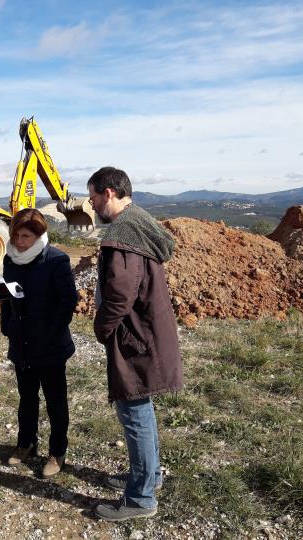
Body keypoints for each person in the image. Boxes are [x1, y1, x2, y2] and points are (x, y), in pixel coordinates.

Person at [87, 166, 183, 522]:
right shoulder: (140, 222)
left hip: (134, 338)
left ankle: (141, 498)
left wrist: (102, 328)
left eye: (94, 196)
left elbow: (119, 296)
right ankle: (150, 476)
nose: (92, 204)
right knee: (141, 409)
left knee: (135, 413)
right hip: (147, 332)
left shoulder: (123, 234)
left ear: (109, 192)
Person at [0, 209, 78, 478]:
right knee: (27, 397)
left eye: (26, 236)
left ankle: (57, 452)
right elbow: (6, 296)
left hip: (50, 343)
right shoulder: (10, 259)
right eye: (16, 235)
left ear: (39, 235)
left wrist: (49, 333)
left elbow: (68, 302)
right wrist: (7, 327)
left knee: (55, 400)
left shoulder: (56, 260)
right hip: (21, 341)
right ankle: (26, 443)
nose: (20, 242)